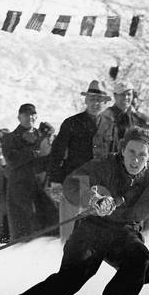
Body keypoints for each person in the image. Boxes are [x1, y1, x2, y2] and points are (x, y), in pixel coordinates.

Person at [6, 127, 149, 295]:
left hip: (126, 231)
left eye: (142, 155)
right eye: (131, 152)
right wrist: (93, 199)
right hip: (92, 228)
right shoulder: (104, 165)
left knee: (140, 261)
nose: (135, 159)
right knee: (73, 277)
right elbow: (74, 183)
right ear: (122, 150)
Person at [46, 79, 112, 241]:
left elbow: (115, 154)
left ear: (105, 103)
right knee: (70, 233)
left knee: (100, 233)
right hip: (74, 183)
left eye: (100, 100)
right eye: (92, 99)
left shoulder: (111, 125)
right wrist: (55, 181)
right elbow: (57, 153)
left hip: (101, 185)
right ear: (86, 100)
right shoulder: (71, 123)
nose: (96, 103)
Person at [2, 102, 57, 240]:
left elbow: (51, 158)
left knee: (51, 230)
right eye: (25, 115)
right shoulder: (10, 138)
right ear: (19, 117)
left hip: (42, 187)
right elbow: (12, 160)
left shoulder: (44, 135)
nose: (29, 118)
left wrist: (49, 137)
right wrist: (35, 149)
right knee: (25, 232)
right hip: (20, 188)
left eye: (32, 114)